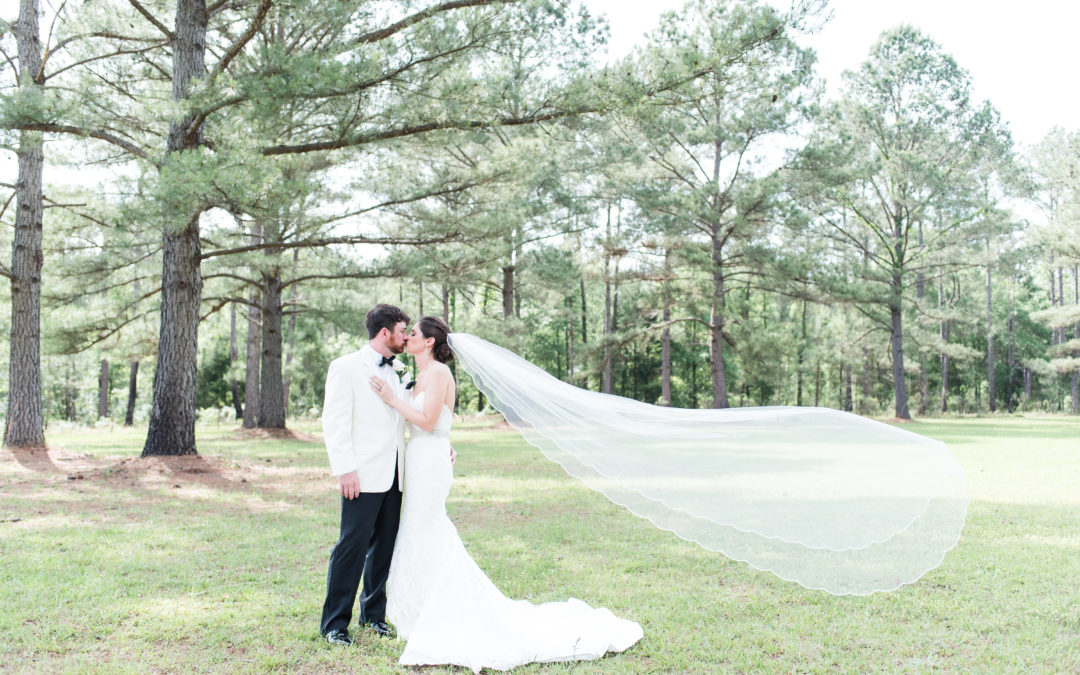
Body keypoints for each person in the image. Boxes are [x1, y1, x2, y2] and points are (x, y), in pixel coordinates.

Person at [370, 316, 643, 672]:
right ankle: (422, 606)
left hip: (430, 465)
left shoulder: (439, 374)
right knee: (418, 531)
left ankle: (446, 607)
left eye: (415, 334)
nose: (409, 339)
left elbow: (427, 421)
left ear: (430, 343)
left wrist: (392, 399)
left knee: (428, 529)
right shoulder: (420, 375)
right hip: (421, 461)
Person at [319, 304, 410, 646]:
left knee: (384, 547)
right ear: (385, 332)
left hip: (395, 474)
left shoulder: (400, 369)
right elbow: (334, 421)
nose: (407, 336)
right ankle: (334, 624)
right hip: (361, 474)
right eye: (403, 330)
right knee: (351, 547)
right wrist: (345, 469)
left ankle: (373, 617)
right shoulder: (345, 367)